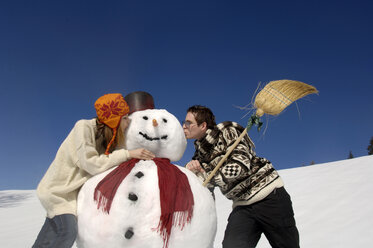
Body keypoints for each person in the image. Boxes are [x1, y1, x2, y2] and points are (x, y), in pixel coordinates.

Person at [32, 93, 155, 248]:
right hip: (57, 193)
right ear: (113, 119)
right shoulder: (83, 128)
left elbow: (115, 160)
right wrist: (128, 154)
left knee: (47, 240)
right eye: (124, 117)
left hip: (72, 197)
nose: (128, 121)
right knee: (67, 232)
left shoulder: (110, 140)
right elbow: (91, 164)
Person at [183, 105, 299, 248]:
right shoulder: (199, 156)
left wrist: (210, 177)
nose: (184, 126)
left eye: (188, 122)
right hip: (242, 206)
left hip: (269, 197)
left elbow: (241, 165)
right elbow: (207, 190)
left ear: (203, 125)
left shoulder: (227, 132)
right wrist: (195, 174)